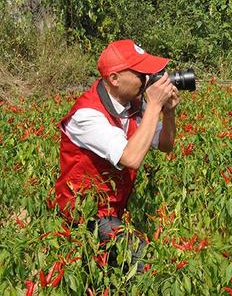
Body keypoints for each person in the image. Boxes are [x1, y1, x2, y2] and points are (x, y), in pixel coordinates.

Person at [52, 40, 179, 271]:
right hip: (85, 215)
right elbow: (130, 158)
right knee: (146, 267)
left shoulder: (132, 105)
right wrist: (153, 107)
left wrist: (168, 113)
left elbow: (165, 145)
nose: (148, 79)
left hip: (114, 210)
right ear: (114, 78)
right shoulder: (86, 115)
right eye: (141, 74)